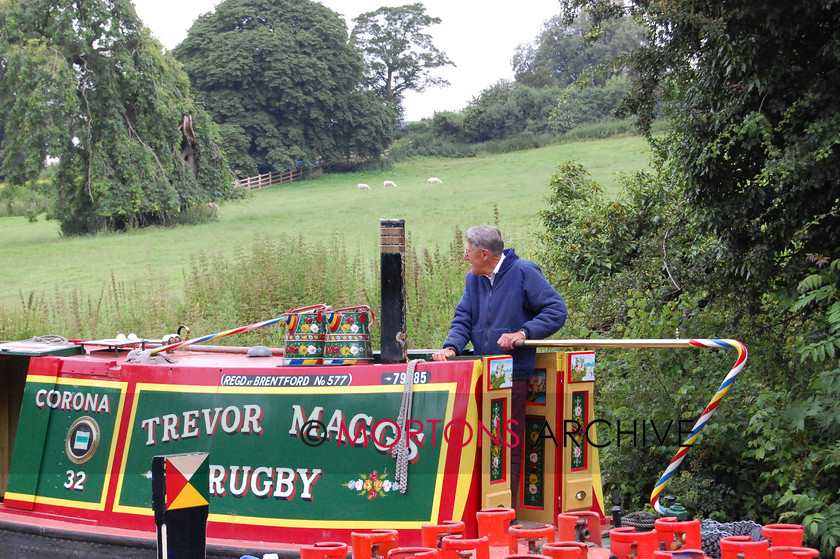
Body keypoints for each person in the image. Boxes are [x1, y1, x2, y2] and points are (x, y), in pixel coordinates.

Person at [432, 224, 567, 509]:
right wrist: (451, 347)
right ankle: (478, 510)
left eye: (468, 253)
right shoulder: (474, 280)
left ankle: (506, 514)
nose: (465, 258)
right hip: (481, 373)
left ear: (483, 254)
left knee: (508, 443)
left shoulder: (525, 272)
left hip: (513, 374)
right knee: (479, 443)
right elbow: (463, 318)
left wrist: (524, 333)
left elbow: (556, 310)